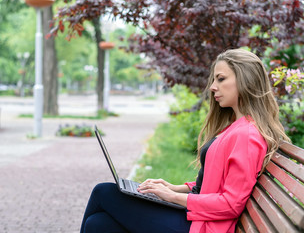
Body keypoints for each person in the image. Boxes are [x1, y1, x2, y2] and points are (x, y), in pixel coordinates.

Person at [80, 48, 290, 233]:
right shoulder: (237, 127)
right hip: (196, 218)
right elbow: (213, 184)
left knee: (103, 192)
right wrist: (174, 188)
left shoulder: (247, 135)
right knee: (97, 225)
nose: (213, 87)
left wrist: (171, 197)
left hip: (202, 226)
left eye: (221, 79)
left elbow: (231, 203)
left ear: (245, 80)